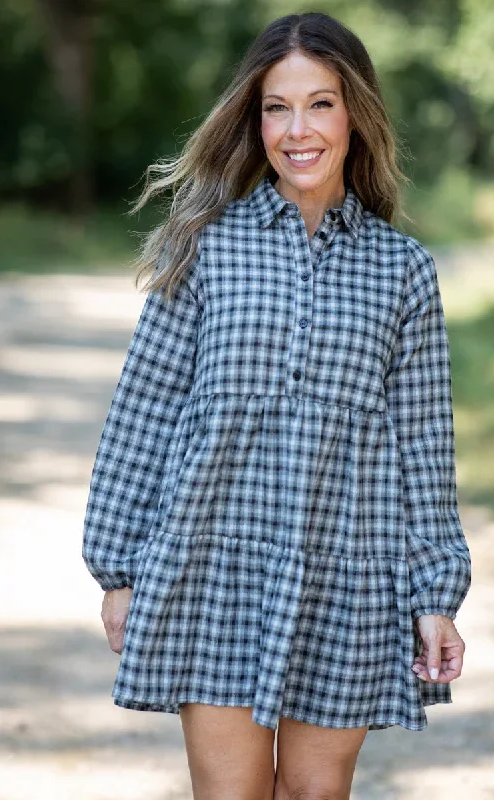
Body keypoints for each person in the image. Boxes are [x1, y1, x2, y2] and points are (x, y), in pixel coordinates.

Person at [82, 11, 472, 799]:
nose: (297, 129)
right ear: (253, 118)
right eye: (275, 106)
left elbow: (422, 445)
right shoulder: (205, 242)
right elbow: (145, 406)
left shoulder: (402, 273)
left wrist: (435, 597)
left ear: (354, 114)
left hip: (348, 577)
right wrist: (116, 568)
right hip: (214, 563)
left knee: (315, 795)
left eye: (320, 103)